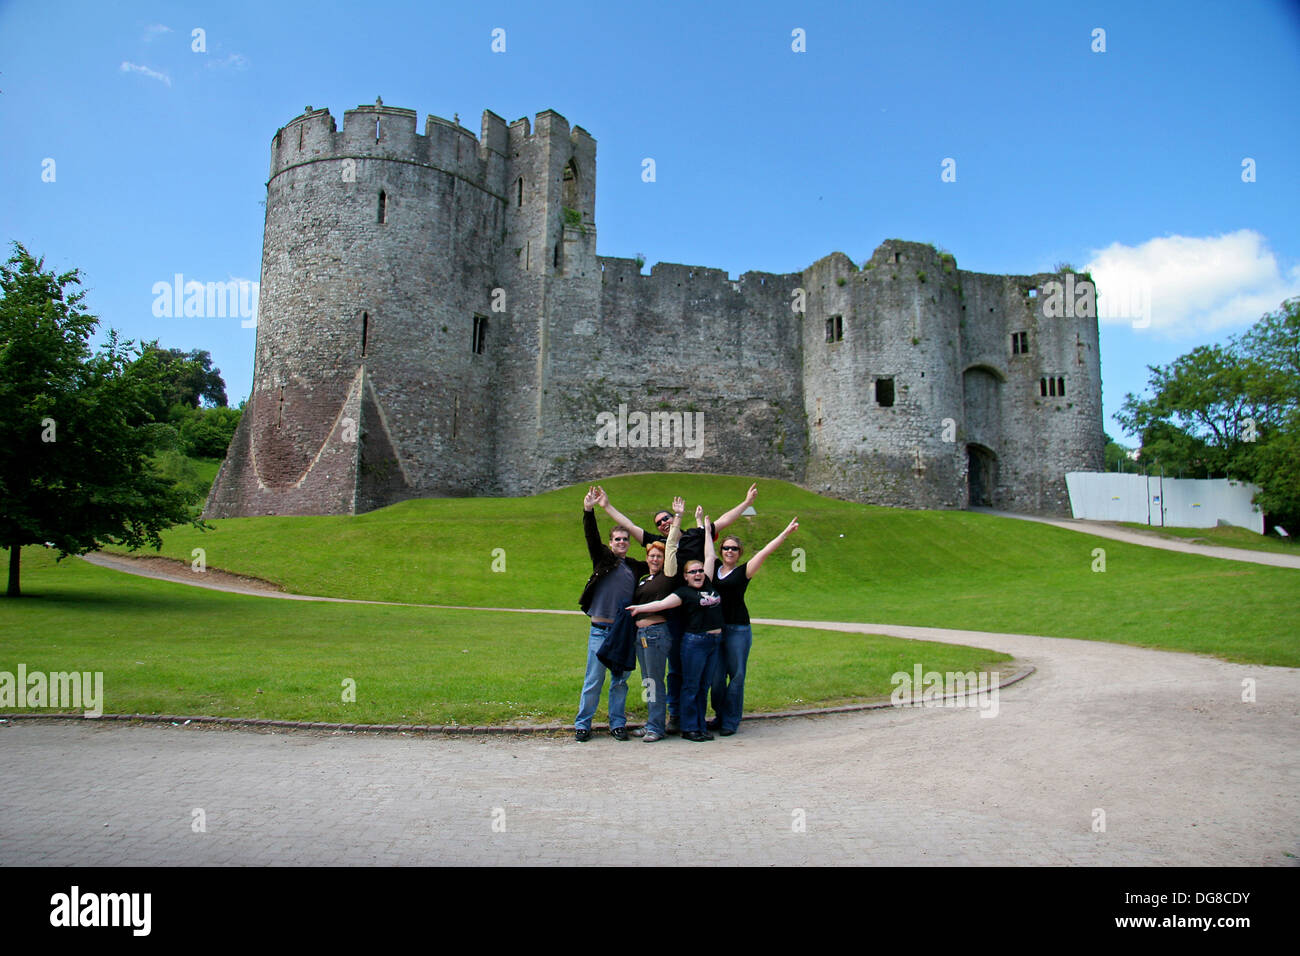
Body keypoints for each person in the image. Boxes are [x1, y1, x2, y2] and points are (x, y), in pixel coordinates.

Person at [628, 517, 723, 742]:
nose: (698, 574)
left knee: (691, 683)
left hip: (697, 639)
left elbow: (709, 556)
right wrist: (638, 608)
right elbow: (661, 604)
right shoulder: (668, 586)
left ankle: (688, 725)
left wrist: (704, 528)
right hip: (670, 637)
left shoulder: (683, 578)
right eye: (693, 572)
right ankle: (660, 724)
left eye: (700, 571)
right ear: (685, 576)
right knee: (654, 680)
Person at [707, 518, 799, 736]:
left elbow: (765, 552)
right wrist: (705, 526)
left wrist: (785, 533)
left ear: (739, 553)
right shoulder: (715, 567)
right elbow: (708, 553)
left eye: (734, 549)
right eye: (726, 548)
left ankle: (730, 720)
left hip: (738, 628)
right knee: (716, 678)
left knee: (737, 675)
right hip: (717, 629)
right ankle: (720, 715)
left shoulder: (744, 571)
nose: (730, 551)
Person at [576, 486, 647, 742]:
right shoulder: (603, 560)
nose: (621, 543)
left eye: (625, 539)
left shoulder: (636, 568)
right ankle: (583, 723)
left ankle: (617, 724)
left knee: (619, 682)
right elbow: (591, 537)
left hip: (622, 632)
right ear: (610, 543)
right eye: (617, 539)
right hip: (599, 630)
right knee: (593, 680)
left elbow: (660, 559)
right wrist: (589, 510)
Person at [629, 538, 676, 741]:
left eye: (659, 556)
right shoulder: (644, 579)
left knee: (655, 680)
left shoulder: (667, 577)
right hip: (641, 635)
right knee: (648, 681)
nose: (655, 559)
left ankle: (657, 727)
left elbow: (673, 546)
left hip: (656, 633)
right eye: (652, 556)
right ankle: (651, 722)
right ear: (647, 558)